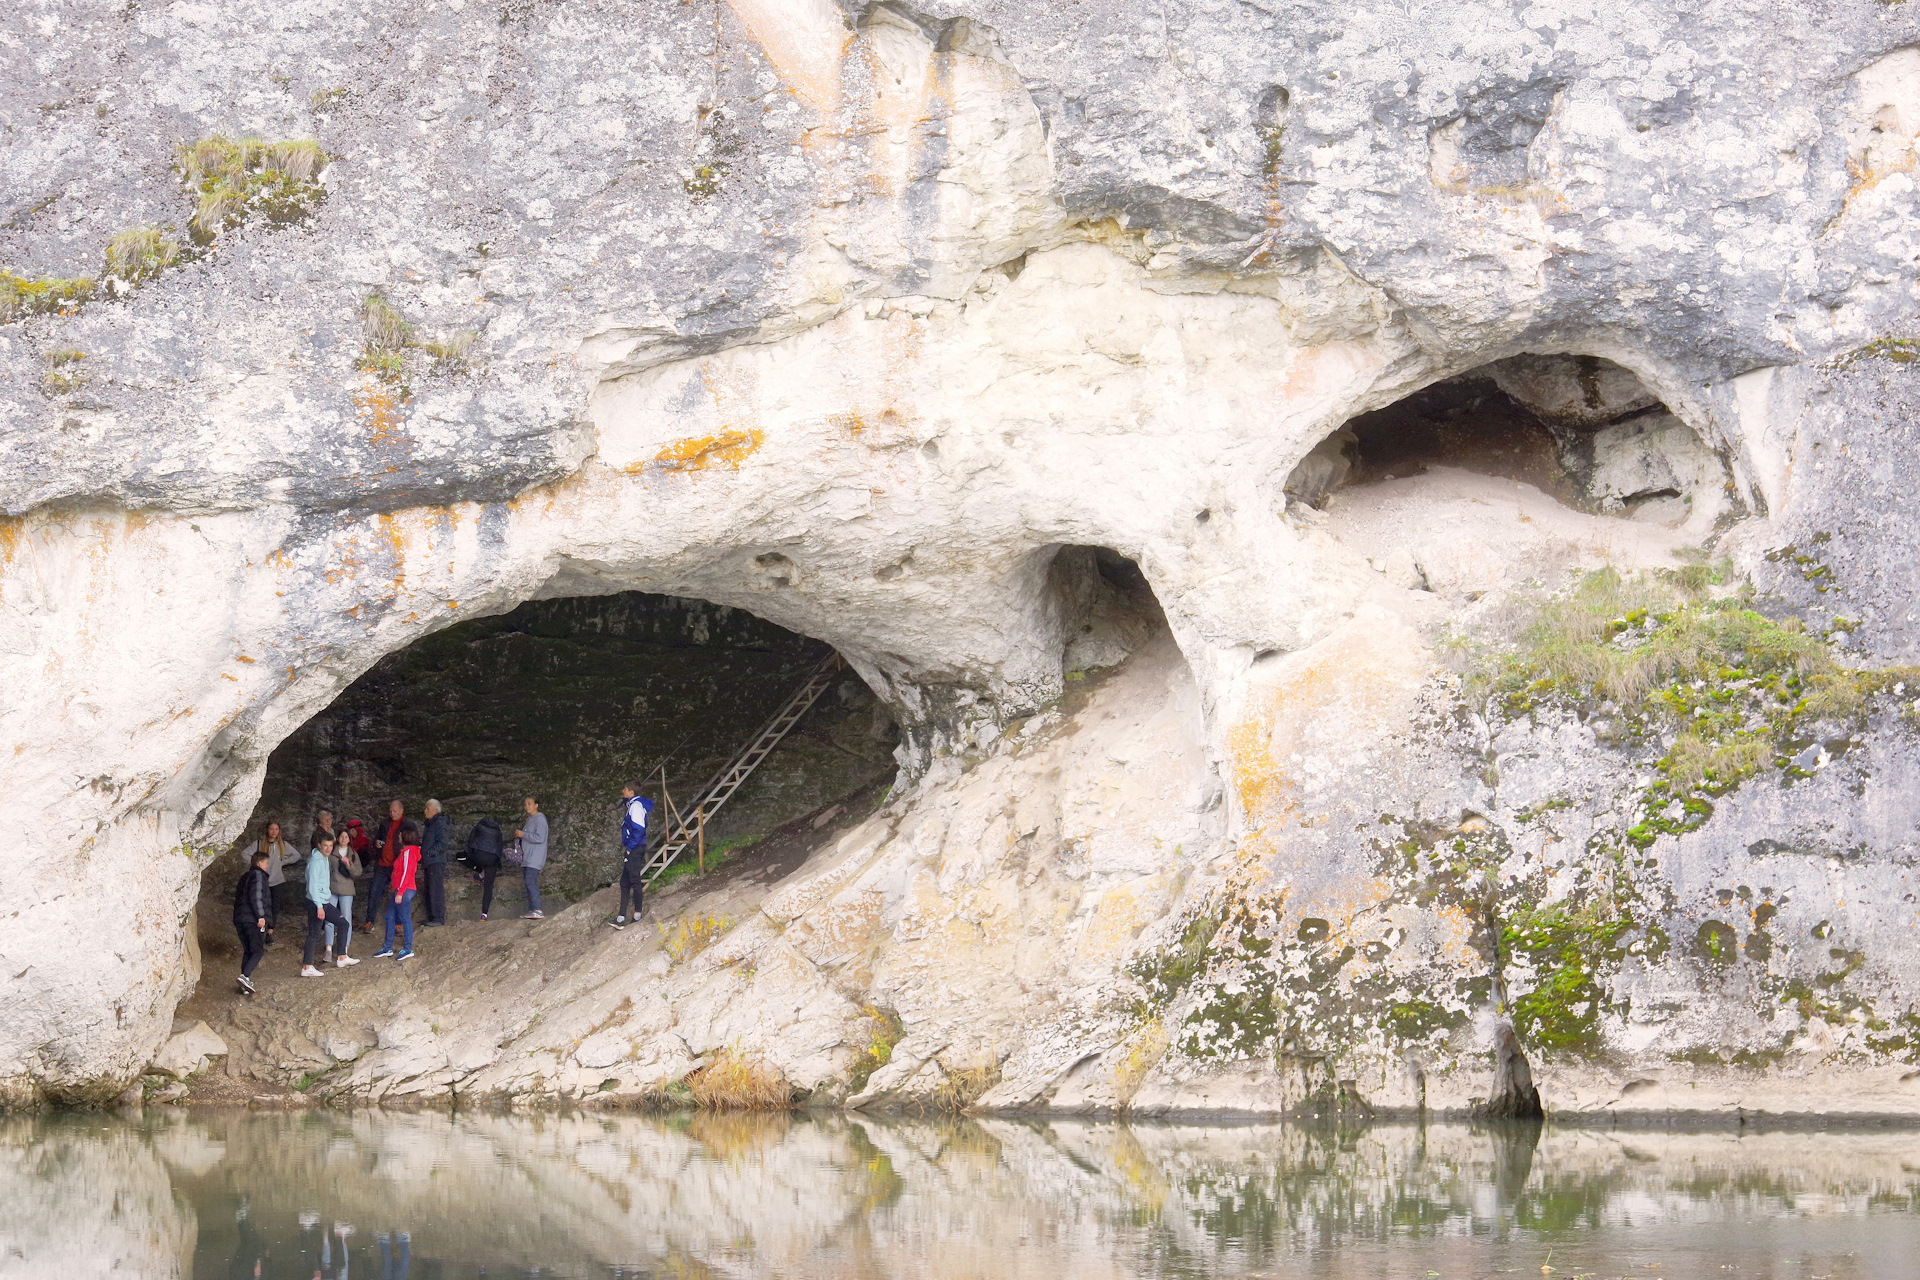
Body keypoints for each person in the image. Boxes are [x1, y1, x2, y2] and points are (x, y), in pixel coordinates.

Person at [301, 837, 357, 977]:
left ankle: (341, 957)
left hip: (321, 901)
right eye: (325, 845)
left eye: (330, 846)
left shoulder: (324, 858)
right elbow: (312, 886)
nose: (328, 848)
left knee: (341, 924)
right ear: (319, 845)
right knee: (316, 932)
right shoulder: (316, 861)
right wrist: (319, 906)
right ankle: (308, 967)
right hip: (317, 902)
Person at [242, 821, 297, 945]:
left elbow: (296, 855)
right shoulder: (259, 844)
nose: (274, 832)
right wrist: (255, 864)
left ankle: (270, 932)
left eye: (276, 829)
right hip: (262, 881)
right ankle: (260, 931)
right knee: (261, 907)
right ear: (267, 830)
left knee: (274, 908)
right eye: (271, 829)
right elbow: (244, 854)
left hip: (277, 881)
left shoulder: (282, 845)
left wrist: (282, 862)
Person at [376, 820, 422, 960]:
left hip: (404, 890)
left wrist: (400, 892)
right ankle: (387, 947)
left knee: (404, 918)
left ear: (405, 836)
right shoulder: (407, 852)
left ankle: (408, 948)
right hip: (401, 890)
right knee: (390, 916)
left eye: (400, 834)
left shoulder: (408, 853)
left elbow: (407, 873)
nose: (399, 836)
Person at [610, 781, 653, 930]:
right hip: (635, 847)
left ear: (631, 792)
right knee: (625, 882)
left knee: (634, 880)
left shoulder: (635, 806)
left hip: (635, 848)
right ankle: (621, 917)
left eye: (625, 789)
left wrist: (630, 847)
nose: (623, 791)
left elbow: (639, 829)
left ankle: (636, 916)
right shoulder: (633, 805)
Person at [232, 847, 272, 995]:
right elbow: (257, 896)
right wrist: (261, 916)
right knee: (257, 950)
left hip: (240, 919)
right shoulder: (258, 875)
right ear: (260, 863)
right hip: (252, 919)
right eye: (267, 863)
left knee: (249, 950)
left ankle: (244, 984)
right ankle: (245, 976)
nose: (267, 866)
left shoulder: (245, 876)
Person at [365, 800, 404, 934]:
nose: (392, 813)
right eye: (390, 811)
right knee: (374, 891)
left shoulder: (407, 825)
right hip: (382, 863)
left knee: (398, 894)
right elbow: (377, 838)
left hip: (397, 865)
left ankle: (398, 923)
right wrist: (377, 843)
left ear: (401, 811)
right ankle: (369, 921)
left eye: (395, 811)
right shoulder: (385, 823)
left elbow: (413, 842)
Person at [325, 833, 363, 965]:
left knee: (346, 918)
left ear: (349, 839)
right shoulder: (332, 853)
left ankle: (344, 948)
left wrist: (349, 865)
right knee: (329, 918)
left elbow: (358, 872)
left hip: (347, 889)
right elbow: (326, 870)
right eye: (341, 836)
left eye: (346, 837)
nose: (343, 839)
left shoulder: (353, 854)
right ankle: (328, 947)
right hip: (332, 888)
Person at [515, 796, 548, 920]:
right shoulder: (531, 819)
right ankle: (532, 909)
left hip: (535, 857)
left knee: (530, 881)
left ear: (536, 805)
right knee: (528, 882)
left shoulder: (540, 819)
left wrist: (523, 834)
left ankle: (537, 909)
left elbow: (540, 837)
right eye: (525, 804)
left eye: (529, 803)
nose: (527, 806)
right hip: (528, 857)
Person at [468, 816, 504, 920]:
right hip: (492, 860)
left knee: (461, 856)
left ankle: (480, 873)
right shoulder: (498, 831)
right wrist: (498, 863)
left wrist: (472, 856)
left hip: (478, 857)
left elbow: (471, 842)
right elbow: (499, 848)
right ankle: (484, 914)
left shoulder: (478, 827)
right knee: (488, 886)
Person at [420, 799, 450, 927]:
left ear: (435, 810)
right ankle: (432, 917)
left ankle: (438, 918)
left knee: (435, 888)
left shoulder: (439, 823)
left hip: (435, 861)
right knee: (429, 889)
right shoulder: (430, 824)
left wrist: (429, 853)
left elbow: (443, 843)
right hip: (429, 861)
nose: (425, 811)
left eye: (427, 809)